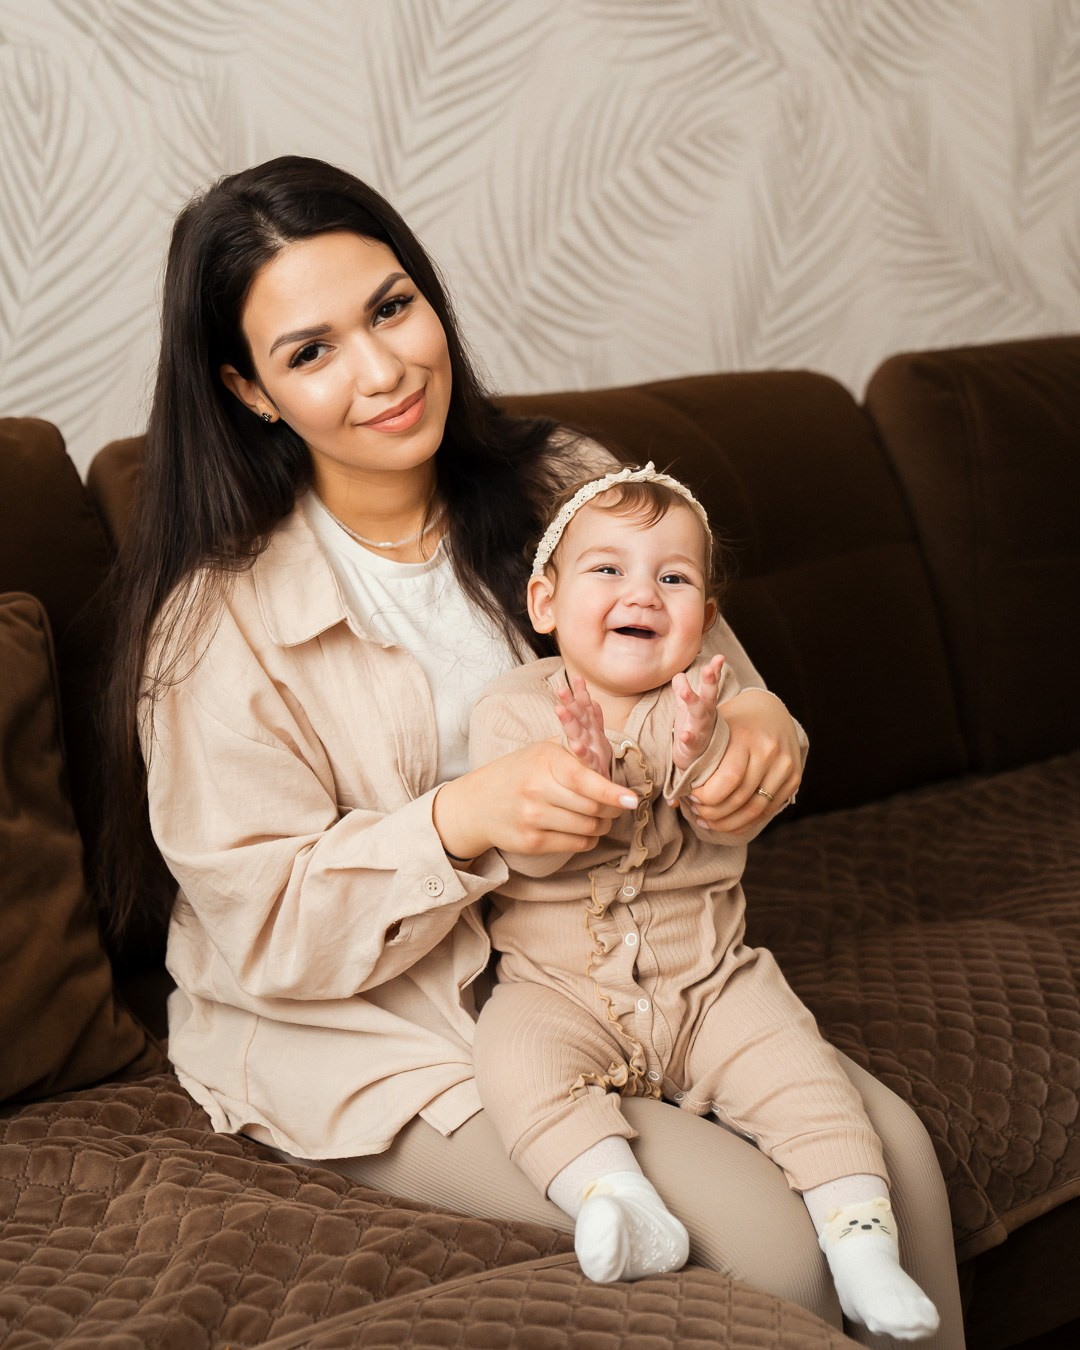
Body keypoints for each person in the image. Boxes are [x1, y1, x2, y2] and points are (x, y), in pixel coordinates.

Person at [99, 155, 965, 1347]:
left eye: (393, 308)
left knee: (905, 1174)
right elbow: (265, 923)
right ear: (249, 390)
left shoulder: (567, 481)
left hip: (639, 970)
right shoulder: (217, 626)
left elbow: (725, 692)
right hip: (379, 1025)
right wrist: (465, 820)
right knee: (771, 1248)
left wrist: (762, 738)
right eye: (312, 352)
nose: (387, 368)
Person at [469, 463, 939, 1341]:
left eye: (673, 578)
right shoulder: (511, 710)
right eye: (606, 570)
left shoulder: (704, 702)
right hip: (557, 991)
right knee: (512, 1061)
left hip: (712, 982)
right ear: (544, 600)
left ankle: (861, 1242)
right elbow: (528, 841)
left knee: (807, 1080)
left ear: (707, 621)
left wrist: (708, 742)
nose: (640, 591)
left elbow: (725, 791)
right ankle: (617, 1197)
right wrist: (584, 769)